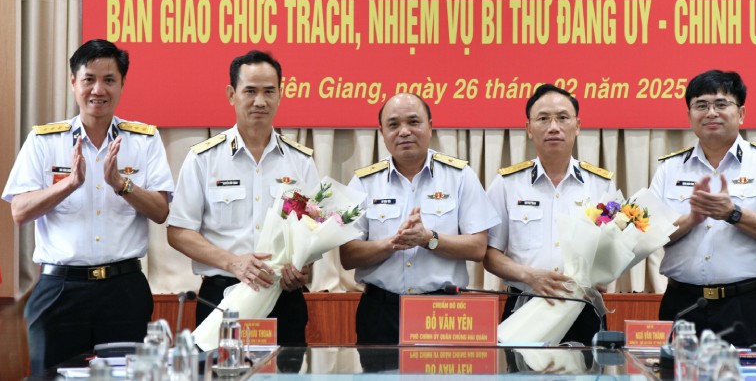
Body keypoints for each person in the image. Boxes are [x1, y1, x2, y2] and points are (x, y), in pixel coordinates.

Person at [2, 39, 173, 373]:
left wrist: (120, 184)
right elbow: (19, 212)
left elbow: (161, 210)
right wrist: (69, 184)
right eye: (89, 79)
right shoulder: (43, 141)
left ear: (122, 83)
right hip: (60, 290)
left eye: (109, 80)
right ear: (73, 83)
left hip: (124, 290)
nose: (99, 89)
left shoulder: (145, 140)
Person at [167, 50, 317, 345]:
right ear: (231, 95)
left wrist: (301, 269)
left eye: (268, 92)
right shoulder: (204, 159)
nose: (260, 101)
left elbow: (313, 232)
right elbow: (179, 232)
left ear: (280, 95)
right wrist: (234, 263)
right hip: (222, 297)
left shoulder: (301, 162)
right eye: (250, 91)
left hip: (283, 298)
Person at [649, 69, 756, 347]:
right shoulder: (669, 169)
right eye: (701, 105)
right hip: (682, 303)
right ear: (689, 116)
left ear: (741, 114)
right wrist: (692, 219)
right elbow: (649, 236)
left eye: (721, 104)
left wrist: (733, 214)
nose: (711, 112)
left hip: (744, 305)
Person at [339, 93, 500, 344]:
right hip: (381, 311)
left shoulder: (459, 176)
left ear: (430, 127)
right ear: (382, 133)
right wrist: (392, 243)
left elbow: (478, 248)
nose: (404, 131)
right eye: (393, 125)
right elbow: (347, 256)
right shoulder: (364, 182)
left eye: (414, 122)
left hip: (443, 311)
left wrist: (429, 239)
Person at [483, 83, 618, 345]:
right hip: (524, 308)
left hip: (582, 308)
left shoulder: (601, 184)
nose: (553, 127)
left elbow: (612, 248)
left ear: (577, 126)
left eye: (562, 118)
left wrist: (602, 273)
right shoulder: (507, 184)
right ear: (529, 129)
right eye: (543, 118)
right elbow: (489, 255)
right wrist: (529, 276)